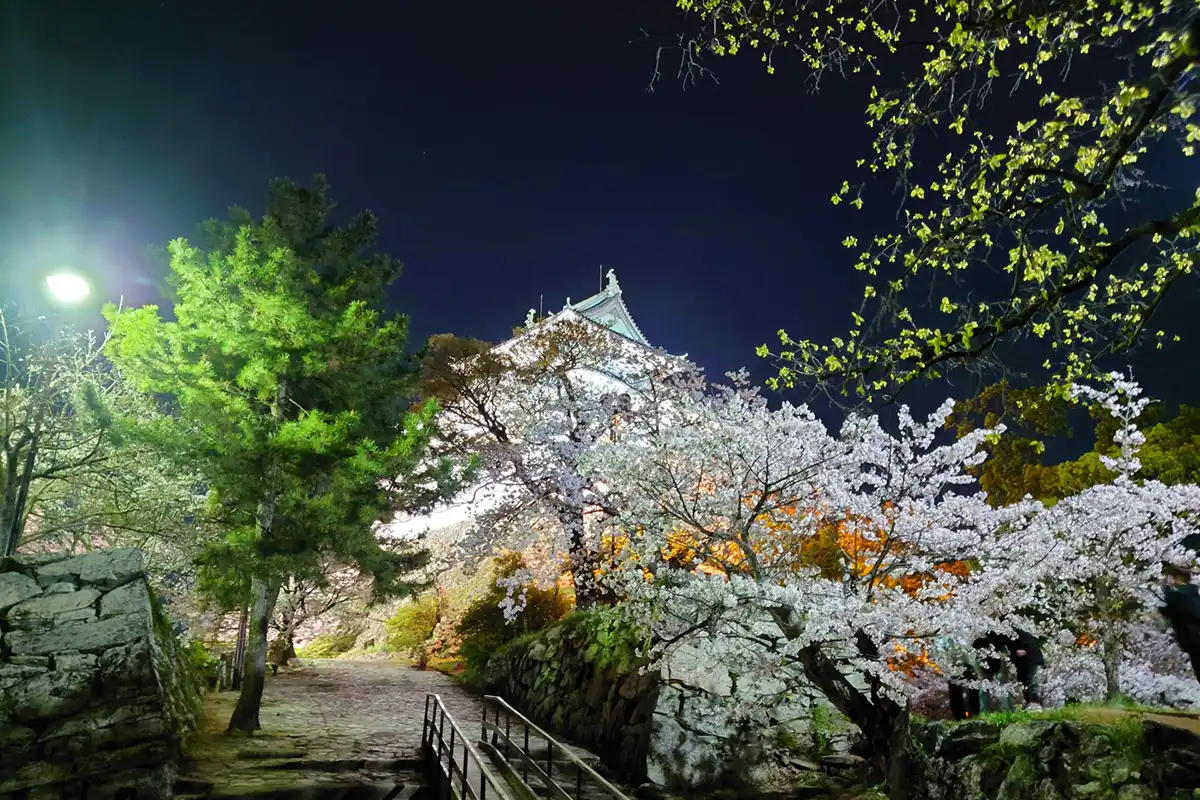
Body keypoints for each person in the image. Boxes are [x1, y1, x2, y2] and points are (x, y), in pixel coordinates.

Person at [1161, 564, 1200, 683]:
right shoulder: (1195, 594)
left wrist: (1166, 591)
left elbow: (1167, 610)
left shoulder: (1177, 596)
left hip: (1192, 639)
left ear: (1177, 577)